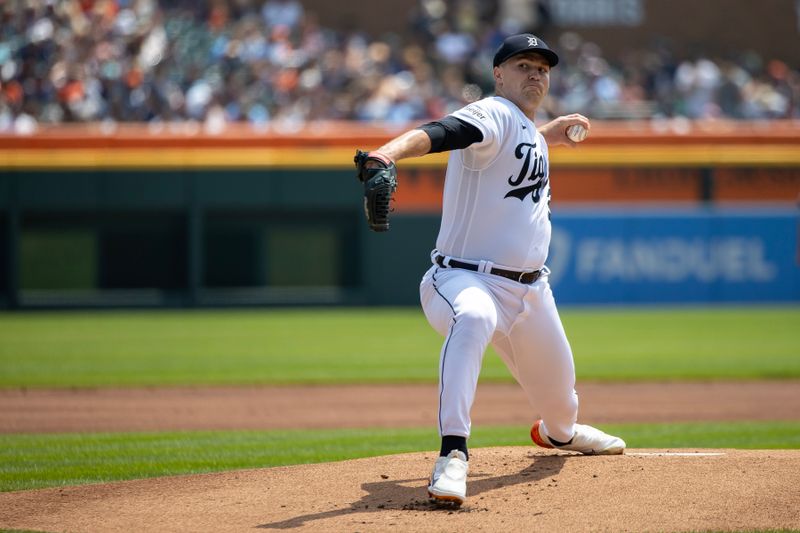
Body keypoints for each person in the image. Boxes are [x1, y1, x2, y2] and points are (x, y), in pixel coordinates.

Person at [358, 33, 626, 505]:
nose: (536, 74)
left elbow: (509, 150)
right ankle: (453, 454)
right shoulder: (494, 111)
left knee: (563, 409)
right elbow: (446, 132)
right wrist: (386, 154)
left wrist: (548, 135)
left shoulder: (523, 129)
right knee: (475, 317)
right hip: (464, 279)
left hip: (530, 294)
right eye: (523, 65)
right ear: (498, 73)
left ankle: (557, 434)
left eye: (543, 68)